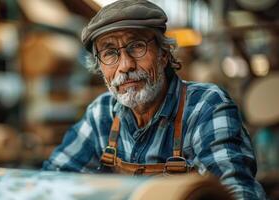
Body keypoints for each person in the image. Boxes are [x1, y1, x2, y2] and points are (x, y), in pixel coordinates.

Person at [42, 0, 265, 199]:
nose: (125, 65)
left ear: (164, 54)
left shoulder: (205, 105)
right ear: (99, 66)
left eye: (137, 46)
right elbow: (52, 181)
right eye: (110, 53)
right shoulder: (101, 113)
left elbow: (235, 192)